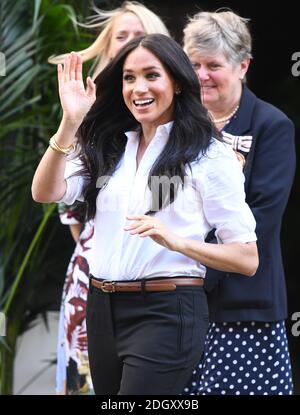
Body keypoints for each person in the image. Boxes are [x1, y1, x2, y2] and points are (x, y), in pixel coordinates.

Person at [32, 33, 258, 395]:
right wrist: (70, 124)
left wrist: (175, 240)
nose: (139, 88)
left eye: (152, 75)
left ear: (178, 83)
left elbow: (247, 258)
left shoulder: (209, 156)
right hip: (101, 307)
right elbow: (44, 192)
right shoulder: (109, 145)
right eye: (129, 77)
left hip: (166, 311)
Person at [50, 1, 171, 394]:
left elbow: (163, 206)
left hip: (160, 287)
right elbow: (67, 207)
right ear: (106, 49)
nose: (130, 45)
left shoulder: (174, 123)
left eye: (140, 36)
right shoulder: (84, 118)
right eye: (122, 37)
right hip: (94, 277)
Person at [182, 10, 296, 395]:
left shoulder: (271, 125)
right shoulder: (175, 127)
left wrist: (197, 273)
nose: (201, 75)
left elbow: (261, 218)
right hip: (176, 301)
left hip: (242, 304)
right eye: (193, 64)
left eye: (213, 65)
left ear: (243, 65)